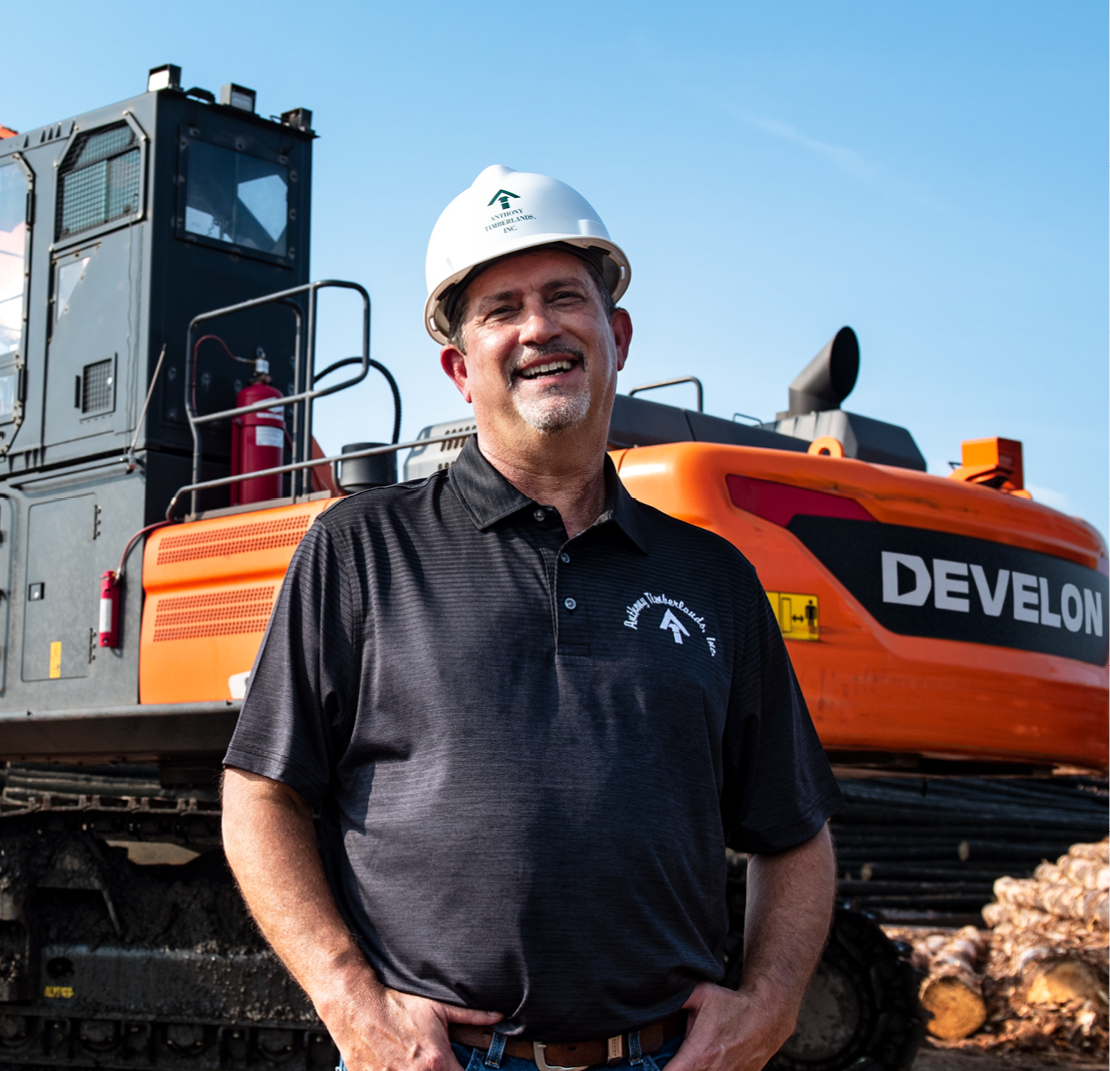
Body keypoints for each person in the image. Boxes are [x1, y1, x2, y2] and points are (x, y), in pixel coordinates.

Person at [220, 165, 842, 1071]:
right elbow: (260, 792)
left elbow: (795, 829)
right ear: (457, 365)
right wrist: (349, 1001)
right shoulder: (359, 549)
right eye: (500, 308)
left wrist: (772, 1006)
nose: (538, 327)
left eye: (563, 297)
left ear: (616, 334)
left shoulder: (713, 579)